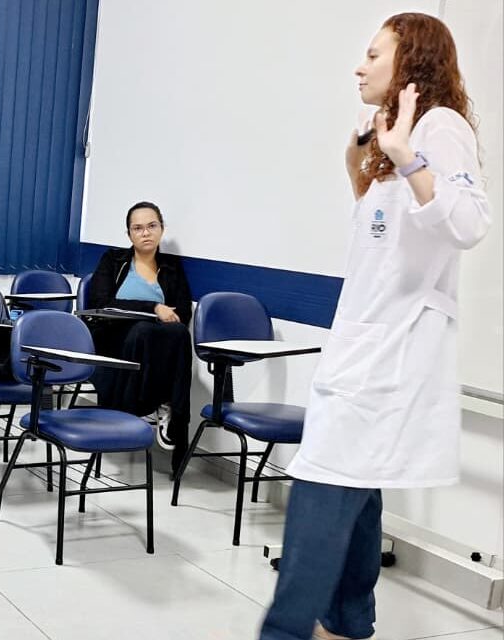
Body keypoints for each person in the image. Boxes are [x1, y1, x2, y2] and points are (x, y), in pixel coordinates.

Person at [260, 13, 491, 640]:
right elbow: (387, 230)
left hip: (391, 352)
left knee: (323, 483)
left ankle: (285, 631)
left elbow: (467, 222)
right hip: (369, 343)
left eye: (372, 54)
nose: (358, 67)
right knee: (356, 491)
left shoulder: (437, 128)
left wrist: (405, 154)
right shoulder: (397, 136)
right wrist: (362, 161)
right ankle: (348, 622)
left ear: (410, 61)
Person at [85, 201, 194, 467]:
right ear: (129, 235)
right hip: (114, 338)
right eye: (138, 228)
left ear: (161, 229)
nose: (145, 233)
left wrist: (165, 315)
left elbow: (183, 311)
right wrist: (152, 307)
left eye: (151, 226)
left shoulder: (171, 266)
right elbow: (100, 303)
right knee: (146, 329)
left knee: (180, 333)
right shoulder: (113, 260)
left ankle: (168, 410)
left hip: (156, 342)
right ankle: (151, 403)